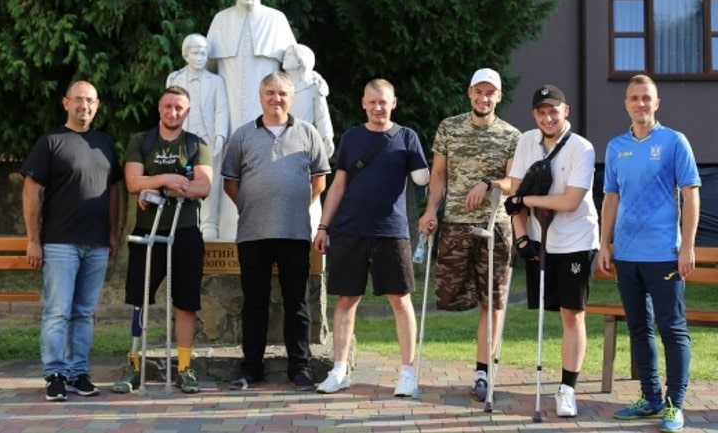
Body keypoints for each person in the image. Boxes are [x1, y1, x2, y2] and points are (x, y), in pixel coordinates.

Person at [313, 79, 430, 397]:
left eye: (384, 102)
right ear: (364, 103)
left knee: (400, 300)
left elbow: (423, 177)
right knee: (346, 300)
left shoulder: (407, 137)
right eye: (373, 102)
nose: (379, 107)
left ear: (394, 103)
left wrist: (426, 180)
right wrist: (324, 226)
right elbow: (338, 185)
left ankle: (407, 372)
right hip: (349, 230)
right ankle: (339, 370)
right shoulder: (351, 137)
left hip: (392, 232)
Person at [599, 74, 700, 433]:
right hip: (626, 255)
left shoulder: (674, 142)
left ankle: (675, 405)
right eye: (634, 98)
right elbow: (611, 198)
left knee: (672, 329)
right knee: (639, 328)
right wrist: (604, 243)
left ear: (656, 103)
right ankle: (650, 398)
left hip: (664, 254)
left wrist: (687, 246)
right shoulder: (615, 147)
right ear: (625, 103)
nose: (640, 104)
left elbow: (691, 194)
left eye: (646, 98)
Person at [221, 71, 330, 391]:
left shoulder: (308, 133)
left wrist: (296, 205)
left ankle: (300, 367)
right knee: (254, 302)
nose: (276, 98)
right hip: (252, 232)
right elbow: (230, 182)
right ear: (260, 96)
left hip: (295, 232)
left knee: (297, 303)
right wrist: (252, 205)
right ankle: (251, 368)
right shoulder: (242, 136)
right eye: (270, 92)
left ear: (291, 97)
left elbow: (319, 180)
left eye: (282, 93)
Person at [417, 68, 520, 401]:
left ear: (499, 97)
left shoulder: (511, 135)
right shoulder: (449, 127)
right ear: (469, 92)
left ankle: (483, 373)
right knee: (449, 297)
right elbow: (438, 175)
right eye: (479, 91)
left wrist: (490, 184)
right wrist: (431, 210)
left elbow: (513, 183)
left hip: (494, 228)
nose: (484, 98)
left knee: (493, 302)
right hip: (456, 225)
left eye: (490, 93)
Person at [20, 80, 122, 402]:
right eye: (78, 100)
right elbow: (31, 190)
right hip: (60, 243)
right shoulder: (51, 142)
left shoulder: (104, 143)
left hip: (97, 244)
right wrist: (33, 240)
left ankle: (79, 373)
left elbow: (115, 191)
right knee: (57, 311)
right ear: (66, 103)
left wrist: (112, 233)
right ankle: (55, 375)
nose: (84, 106)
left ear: (98, 104)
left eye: (90, 100)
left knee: (84, 313)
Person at [505, 84, 598, 418]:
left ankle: (567, 389)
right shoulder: (526, 142)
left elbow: (570, 201)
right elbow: (511, 197)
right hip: (539, 239)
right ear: (534, 115)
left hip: (576, 241)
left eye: (553, 110)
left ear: (565, 111)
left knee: (572, 313)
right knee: (549, 312)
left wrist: (527, 201)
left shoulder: (581, 148)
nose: (548, 117)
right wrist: (520, 238)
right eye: (541, 111)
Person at [112, 86, 213, 395]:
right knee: (139, 299)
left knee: (185, 302)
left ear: (187, 111)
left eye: (179, 108)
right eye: (168, 106)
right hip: (147, 232)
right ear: (159, 108)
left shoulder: (196, 145)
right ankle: (134, 364)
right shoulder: (141, 142)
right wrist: (168, 179)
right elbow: (132, 182)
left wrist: (160, 190)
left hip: (184, 232)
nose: (173, 112)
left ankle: (185, 367)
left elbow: (203, 187)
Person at [206, 0, 297, 239]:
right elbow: (206, 65)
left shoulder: (275, 19)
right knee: (222, 153)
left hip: (266, 109)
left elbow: (294, 65)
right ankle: (215, 224)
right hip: (229, 103)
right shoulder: (221, 20)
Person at [166, 33, 229, 240]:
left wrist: (220, 134)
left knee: (209, 178)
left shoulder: (217, 81)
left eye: (203, 53)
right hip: (182, 138)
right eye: (195, 53)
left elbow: (221, 110)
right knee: (181, 177)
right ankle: (184, 219)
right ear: (186, 55)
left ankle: (210, 223)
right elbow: (168, 109)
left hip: (207, 138)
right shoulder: (174, 78)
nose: (200, 57)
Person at [283, 43, 336, 239]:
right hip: (281, 146)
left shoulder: (314, 86)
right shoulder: (282, 85)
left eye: (289, 55)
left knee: (310, 191)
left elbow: (322, 115)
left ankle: (312, 234)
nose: (284, 56)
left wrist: (327, 137)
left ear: (299, 61)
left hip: (305, 147)